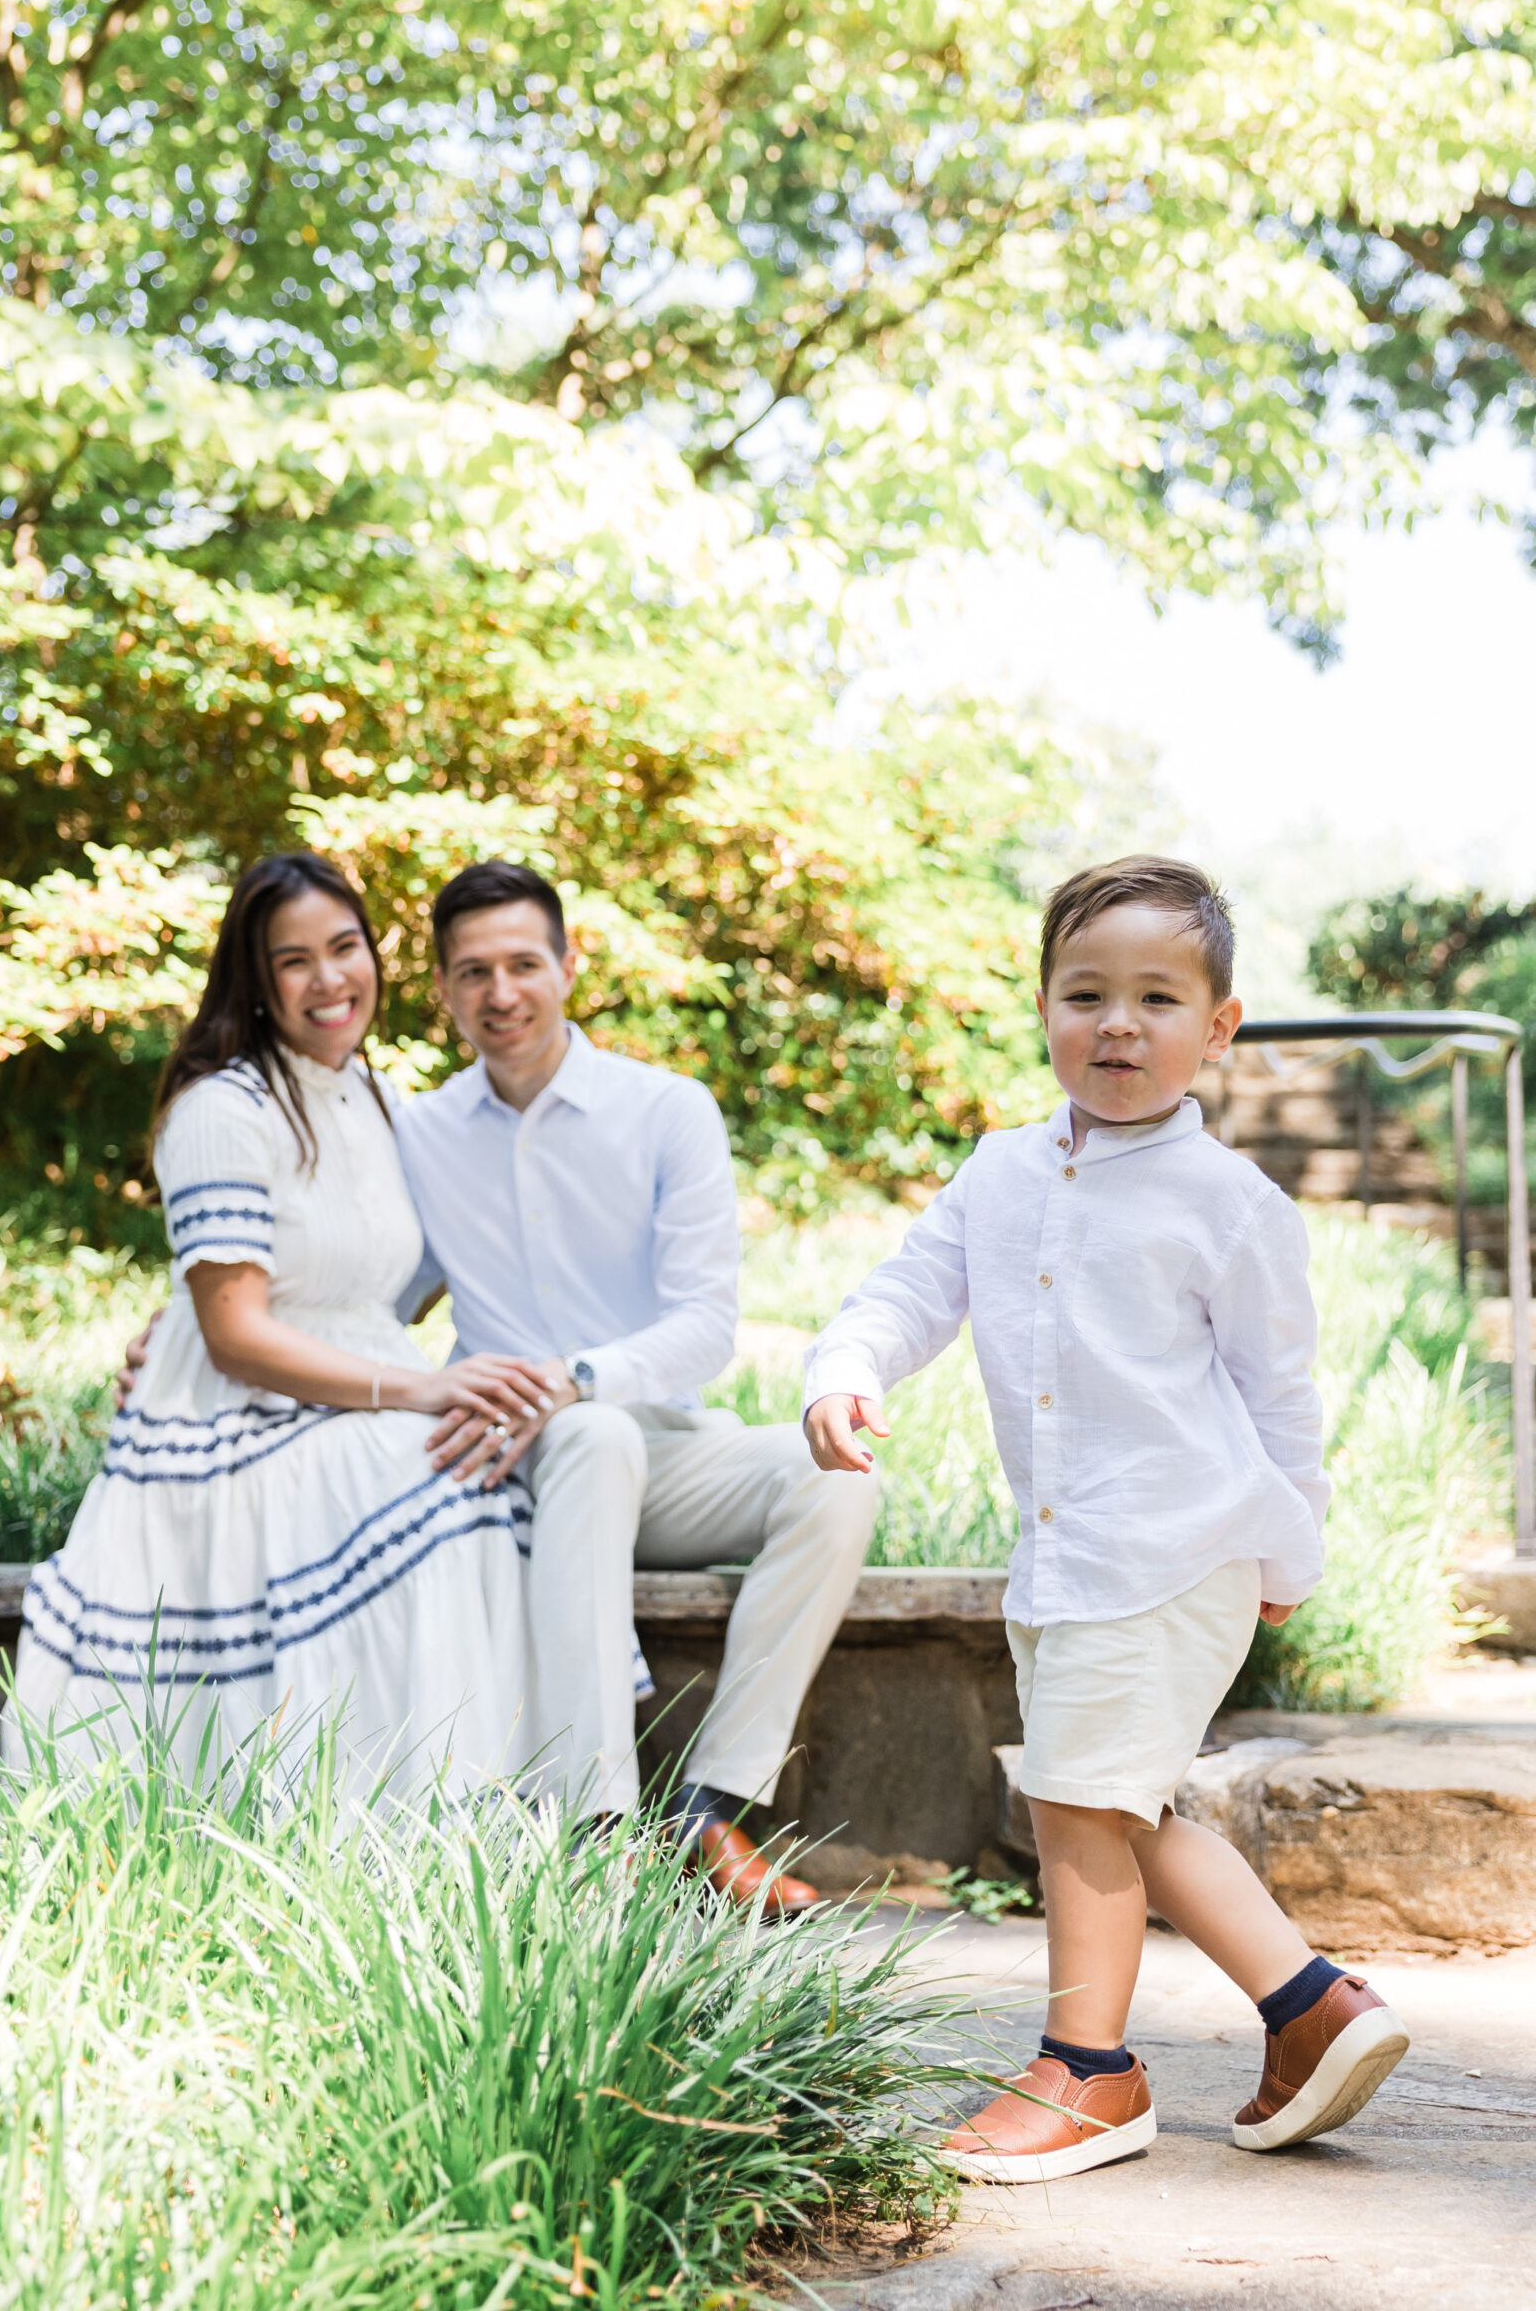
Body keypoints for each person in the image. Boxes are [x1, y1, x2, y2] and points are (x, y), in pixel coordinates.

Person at [803, 855, 1409, 2178]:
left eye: (1155, 997)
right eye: (1085, 994)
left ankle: (1088, 2072)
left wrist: (1286, 1553)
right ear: (1041, 1008)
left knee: (1080, 1804)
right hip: (1067, 1556)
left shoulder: (1227, 1204)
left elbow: (1278, 1395)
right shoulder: (1000, 1172)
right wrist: (845, 1368)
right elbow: (909, 1290)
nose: (1117, 1024)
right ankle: (1309, 2008)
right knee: (1114, 1804)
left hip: (1174, 1545)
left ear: (1218, 1026)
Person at [4, 853, 554, 1800]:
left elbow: (376, 1274)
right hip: (236, 1430)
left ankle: (484, 1812)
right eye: (294, 960)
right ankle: (392, 1810)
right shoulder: (224, 1107)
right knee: (442, 1481)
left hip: (342, 1398)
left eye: (345, 947)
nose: (330, 978)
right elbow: (236, 1337)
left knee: (478, 1474)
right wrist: (421, 1385)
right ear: (255, 980)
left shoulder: (374, 1099)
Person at [393, 861, 880, 1910]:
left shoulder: (664, 1111)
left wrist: (576, 1378)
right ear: (441, 989)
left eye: (523, 963)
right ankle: (595, 1825)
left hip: (659, 1449)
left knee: (833, 1474)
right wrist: (194, 1334)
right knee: (587, 1437)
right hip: (502, 1472)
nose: (500, 992)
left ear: (569, 965)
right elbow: (362, 1299)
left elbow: (704, 1327)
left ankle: (704, 1809)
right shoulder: (419, 1136)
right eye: (471, 971)